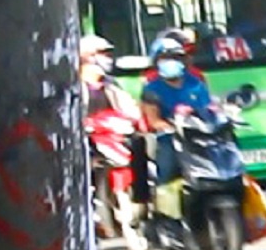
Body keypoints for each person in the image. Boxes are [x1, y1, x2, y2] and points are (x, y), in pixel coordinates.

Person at [139, 37, 214, 185]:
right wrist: (174, 128)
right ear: (156, 62)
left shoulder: (196, 83)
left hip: (199, 137)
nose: (171, 61)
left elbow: (207, 109)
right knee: (167, 169)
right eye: (165, 58)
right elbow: (154, 121)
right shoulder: (152, 89)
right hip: (170, 139)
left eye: (175, 57)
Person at [81, 34, 136, 118]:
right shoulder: (74, 86)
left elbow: (131, 112)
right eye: (104, 55)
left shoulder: (111, 84)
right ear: (88, 56)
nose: (109, 60)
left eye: (109, 55)